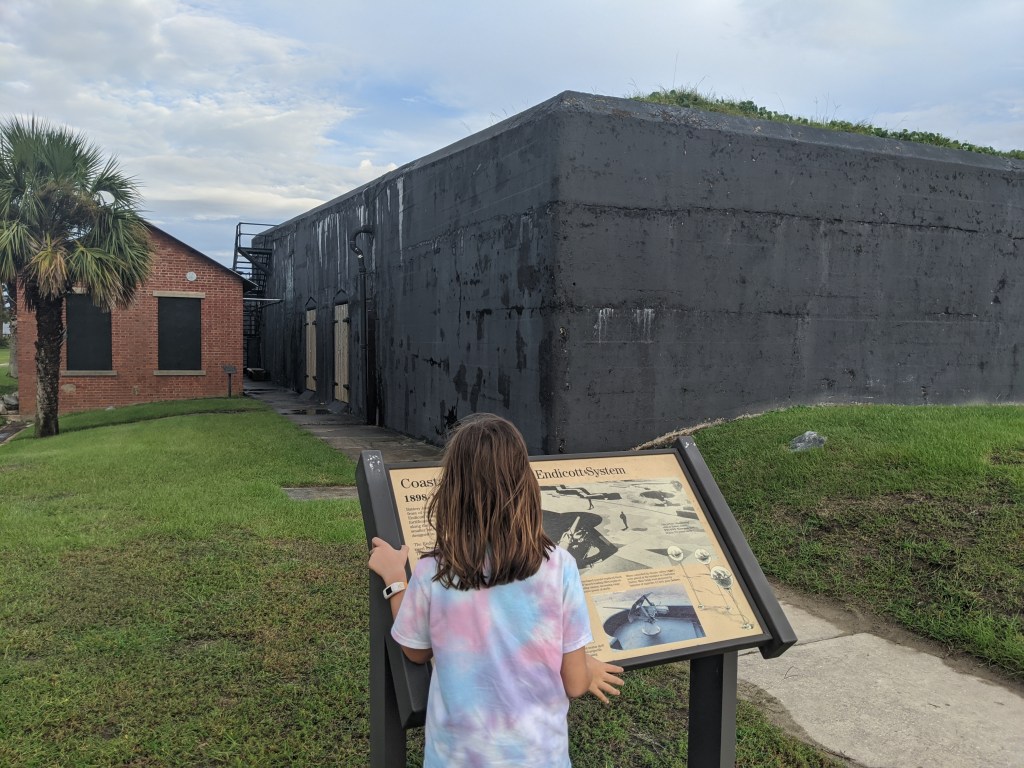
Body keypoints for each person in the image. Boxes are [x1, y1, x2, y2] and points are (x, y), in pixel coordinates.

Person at [369, 413, 624, 766]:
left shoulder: (433, 570)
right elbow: (576, 683)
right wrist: (587, 666)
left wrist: (396, 579)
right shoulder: (561, 565)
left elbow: (415, 650)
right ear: (525, 485)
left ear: (452, 491)